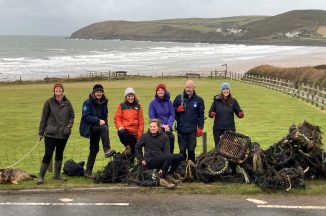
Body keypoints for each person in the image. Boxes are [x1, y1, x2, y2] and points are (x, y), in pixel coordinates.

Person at [37, 83, 75, 184]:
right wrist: (41, 132)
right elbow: (44, 118)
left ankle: (57, 175)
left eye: (60, 88)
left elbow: (72, 115)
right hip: (50, 134)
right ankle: (40, 177)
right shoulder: (48, 102)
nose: (58, 90)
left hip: (63, 134)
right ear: (54, 91)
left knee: (59, 154)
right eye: (56, 88)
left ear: (63, 91)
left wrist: (69, 125)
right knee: (48, 154)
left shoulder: (67, 103)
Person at [80, 84, 116, 178]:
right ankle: (107, 149)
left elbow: (105, 117)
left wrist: (105, 126)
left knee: (94, 149)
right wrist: (98, 121)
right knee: (103, 128)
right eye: (97, 92)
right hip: (89, 127)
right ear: (93, 93)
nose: (99, 93)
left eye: (100, 92)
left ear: (102, 93)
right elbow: (85, 117)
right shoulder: (87, 103)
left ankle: (88, 172)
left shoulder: (104, 103)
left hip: (100, 128)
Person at [135, 119, 183, 189]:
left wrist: (162, 166)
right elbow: (137, 147)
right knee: (168, 156)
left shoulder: (164, 136)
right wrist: (141, 159)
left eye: (154, 126)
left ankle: (169, 174)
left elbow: (167, 151)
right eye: (151, 126)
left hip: (162, 158)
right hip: (150, 160)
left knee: (179, 156)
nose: (152, 128)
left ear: (158, 127)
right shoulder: (145, 136)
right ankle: (161, 178)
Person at [173, 80, 205, 162]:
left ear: (194, 88)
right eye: (186, 87)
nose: (187, 89)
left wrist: (200, 128)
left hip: (192, 130)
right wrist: (177, 109)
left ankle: (191, 169)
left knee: (191, 150)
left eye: (189, 87)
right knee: (182, 151)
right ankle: (182, 169)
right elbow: (171, 111)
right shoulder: (178, 98)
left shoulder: (199, 100)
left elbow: (201, 116)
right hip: (181, 129)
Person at [208, 82, 244, 148]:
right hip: (218, 129)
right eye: (224, 89)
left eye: (227, 89)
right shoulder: (216, 101)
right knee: (218, 147)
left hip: (230, 128)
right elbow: (210, 113)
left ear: (229, 90)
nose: (225, 90)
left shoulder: (233, 101)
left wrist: (240, 114)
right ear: (221, 91)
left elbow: (238, 112)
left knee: (229, 148)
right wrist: (211, 114)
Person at [114, 87, 144, 159]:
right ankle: (128, 147)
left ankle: (134, 165)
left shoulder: (138, 106)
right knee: (121, 132)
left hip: (134, 134)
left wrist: (139, 135)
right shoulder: (121, 106)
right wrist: (120, 126)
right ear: (126, 97)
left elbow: (141, 122)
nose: (130, 98)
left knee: (134, 153)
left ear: (134, 96)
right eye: (129, 96)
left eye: (132, 96)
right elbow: (117, 118)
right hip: (125, 132)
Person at [148, 83, 175, 153]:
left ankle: (170, 157)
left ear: (165, 91)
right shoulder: (152, 103)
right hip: (157, 128)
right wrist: (161, 126)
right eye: (159, 90)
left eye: (162, 90)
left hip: (167, 128)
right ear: (156, 92)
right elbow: (152, 117)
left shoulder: (169, 102)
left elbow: (172, 115)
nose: (160, 91)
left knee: (171, 138)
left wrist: (168, 125)